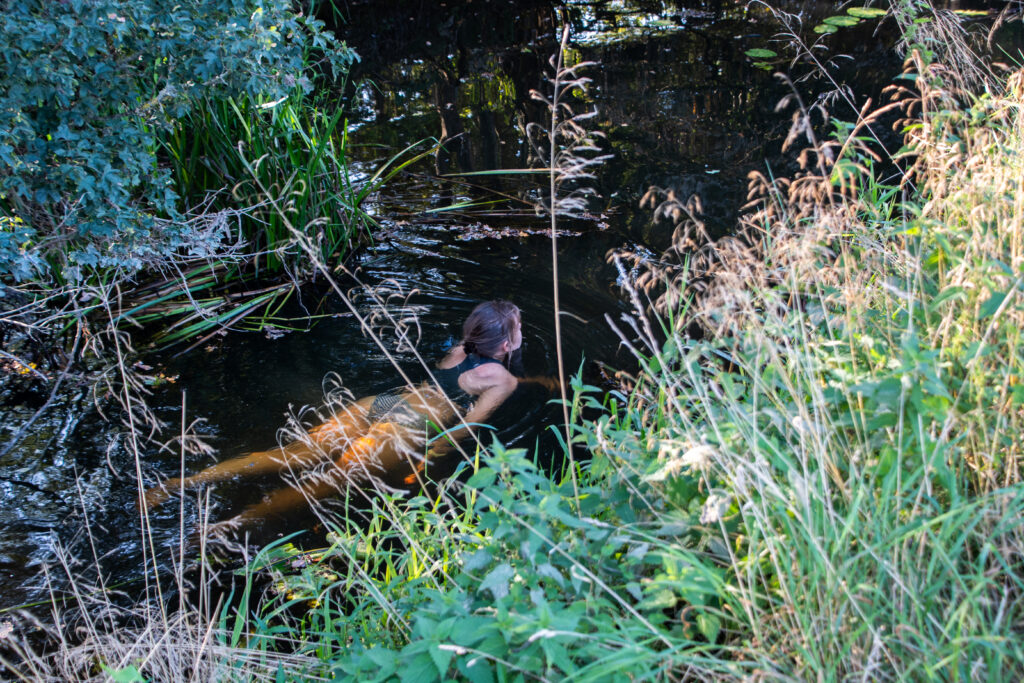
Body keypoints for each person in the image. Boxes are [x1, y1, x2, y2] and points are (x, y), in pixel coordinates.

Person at [143, 300, 554, 529]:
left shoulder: (459, 349)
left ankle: (182, 482)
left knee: (291, 454)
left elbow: (461, 375)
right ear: (505, 345)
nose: (521, 332)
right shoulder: (502, 380)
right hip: (409, 425)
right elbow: (464, 428)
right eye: (518, 329)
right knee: (326, 483)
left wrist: (533, 375)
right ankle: (227, 527)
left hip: (385, 401)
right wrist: (425, 461)